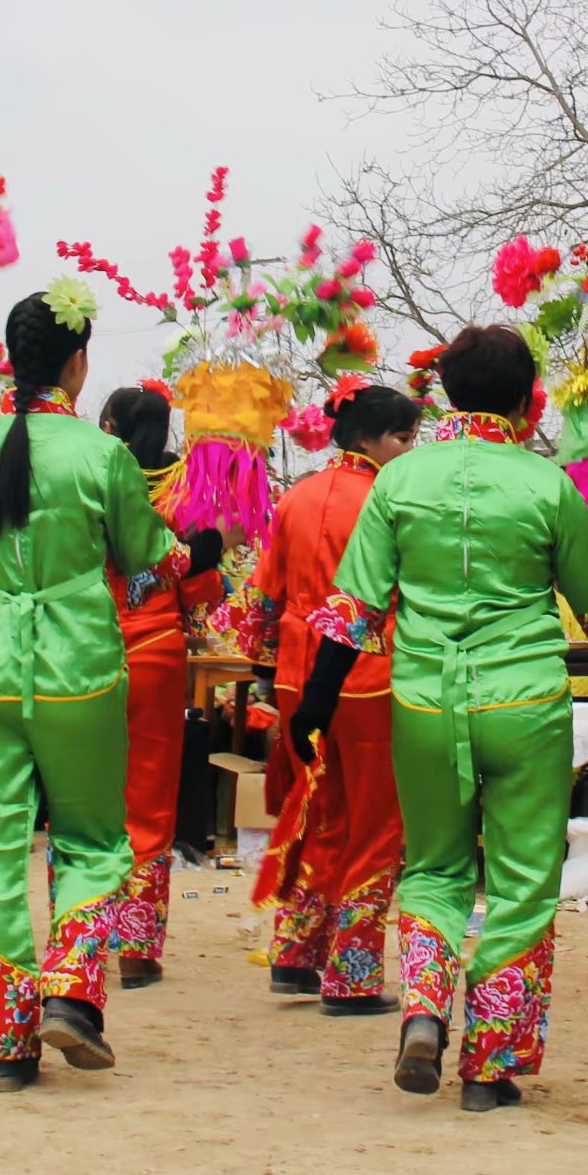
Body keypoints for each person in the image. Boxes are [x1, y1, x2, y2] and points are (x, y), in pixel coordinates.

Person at [290, 325, 588, 1113]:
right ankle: (492, 1066)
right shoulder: (549, 485)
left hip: (425, 702)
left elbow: (350, 611)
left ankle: (424, 1009)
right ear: (524, 399)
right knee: (519, 881)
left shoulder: (399, 482)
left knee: (433, 869)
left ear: (444, 395)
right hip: (525, 702)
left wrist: (315, 706)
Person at [0, 288, 180, 1090]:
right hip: (78, 668)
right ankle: (73, 994)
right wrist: (185, 552)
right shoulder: (103, 457)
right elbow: (146, 566)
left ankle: (4, 1040)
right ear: (78, 362)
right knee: (89, 838)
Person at [237, 381, 418, 1014]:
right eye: (402, 437)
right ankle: (354, 973)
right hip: (369, 675)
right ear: (367, 438)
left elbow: (261, 598)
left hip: (295, 675)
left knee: (315, 811)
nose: (408, 449)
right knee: (374, 824)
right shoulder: (390, 499)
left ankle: (295, 953)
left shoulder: (297, 497)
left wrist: (265, 663)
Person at [97, 383, 225, 989]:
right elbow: (202, 586)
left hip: (85, 648)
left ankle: (84, 934)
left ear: (111, 423)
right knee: (149, 799)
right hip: (155, 650)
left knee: (88, 799)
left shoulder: (89, 477)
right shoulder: (185, 492)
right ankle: (138, 950)